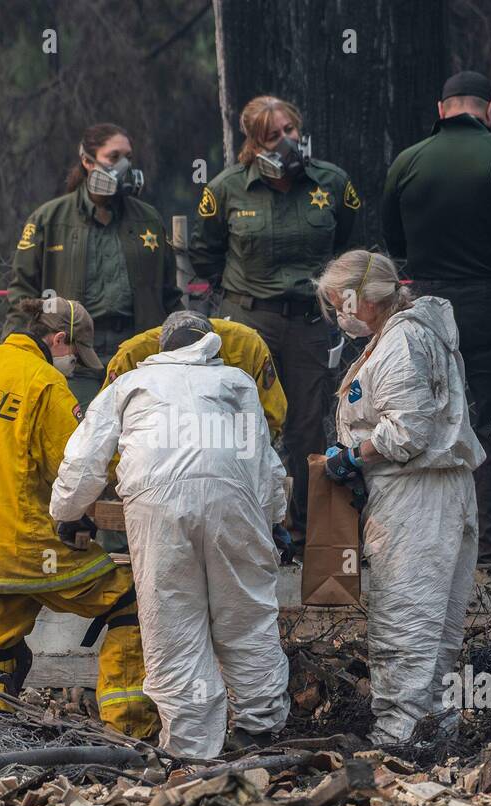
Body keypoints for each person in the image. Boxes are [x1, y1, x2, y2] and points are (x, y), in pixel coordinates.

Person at [50, 310, 291, 758]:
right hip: (233, 508)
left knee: (174, 628)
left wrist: (66, 510)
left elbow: (84, 457)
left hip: (159, 512)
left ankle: (190, 749)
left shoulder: (129, 385)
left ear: (162, 348)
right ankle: (259, 731)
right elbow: (263, 462)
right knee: (246, 619)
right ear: (210, 346)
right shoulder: (237, 383)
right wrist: (273, 519)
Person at [0, 297, 157, 738]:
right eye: (75, 354)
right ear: (59, 340)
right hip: (27, 544)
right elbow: (77, 463)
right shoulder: (43, 381)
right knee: (131, 601)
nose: (74, 365)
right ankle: (131, 728)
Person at [382, 70, 491, 564]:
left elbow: (396, 244)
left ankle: (426, 550)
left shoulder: (408, 162)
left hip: (425, 312)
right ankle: (490, 550)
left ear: (441, 110)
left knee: (422, 424)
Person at [316, 251, 484, 744]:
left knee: (406, 622)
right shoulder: (400, 336)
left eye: (338, 302)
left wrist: (354, 455)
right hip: (433, 489)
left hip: (417, 496)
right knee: (435, 631)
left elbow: (407, 431)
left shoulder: (402, 343)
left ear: (366, 298)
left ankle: (399, 740)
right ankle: (437, 734)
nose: (337, 313)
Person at [190, 95, 360, 554]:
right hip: (250, 319)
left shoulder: (332, 181)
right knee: (248, 424)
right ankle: (249, 531)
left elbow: (347, 240)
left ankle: (304, 536)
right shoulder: (226, 190)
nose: (287, 141)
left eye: (290, 130)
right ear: (253, 142)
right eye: (273, 135)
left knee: (307, 427)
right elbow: (204, 252)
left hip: (308, 319)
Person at [7, 123, 182, 360]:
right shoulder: (49, 219)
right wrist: (15, 351)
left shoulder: (148, 219)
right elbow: (23, 292)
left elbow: (169, 293)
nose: (124, 166)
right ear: (88, 161)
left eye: (128, 158)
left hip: (139, 351)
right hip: (71, 351)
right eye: (114, 157)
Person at [104, 315, 288, 440]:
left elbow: (271, 416)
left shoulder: (247, 345)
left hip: (231, 441)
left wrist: (249, 459)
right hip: (151, 440)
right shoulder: (130, 355)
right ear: (160, 346)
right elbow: (108, 424)